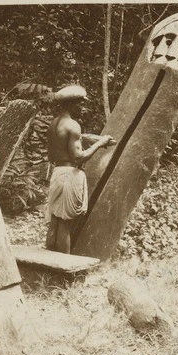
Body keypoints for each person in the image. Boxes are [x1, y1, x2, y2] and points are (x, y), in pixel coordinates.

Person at [45, 85, 114, 253]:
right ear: (72, 104)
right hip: (69, 175)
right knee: (65, 226)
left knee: (55, 222)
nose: (83, 108)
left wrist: (87, 138)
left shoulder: (53, 124)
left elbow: (51, 155)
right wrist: (100, 143)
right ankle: (64, 272)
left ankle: (47, 269)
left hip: (57, 173)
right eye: (81, 104)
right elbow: (78, 157)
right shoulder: (73, 125)